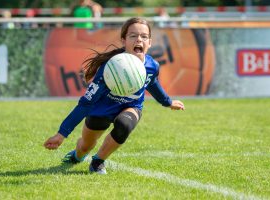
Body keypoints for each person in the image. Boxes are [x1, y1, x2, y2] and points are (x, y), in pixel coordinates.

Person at [43, 17, 185, 174]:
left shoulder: (152, 66)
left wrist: (167, 102)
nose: (139, 39)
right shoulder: (109, 68)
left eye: (144, 36)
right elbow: (85, 104)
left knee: (124, 125)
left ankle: (98, 161)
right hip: (102, 108)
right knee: (85, 146)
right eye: (133, 36)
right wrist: (61, 134)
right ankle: (78, 155)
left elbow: (153, 84)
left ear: (149, 43)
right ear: (124, 40)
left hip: (131, 106)